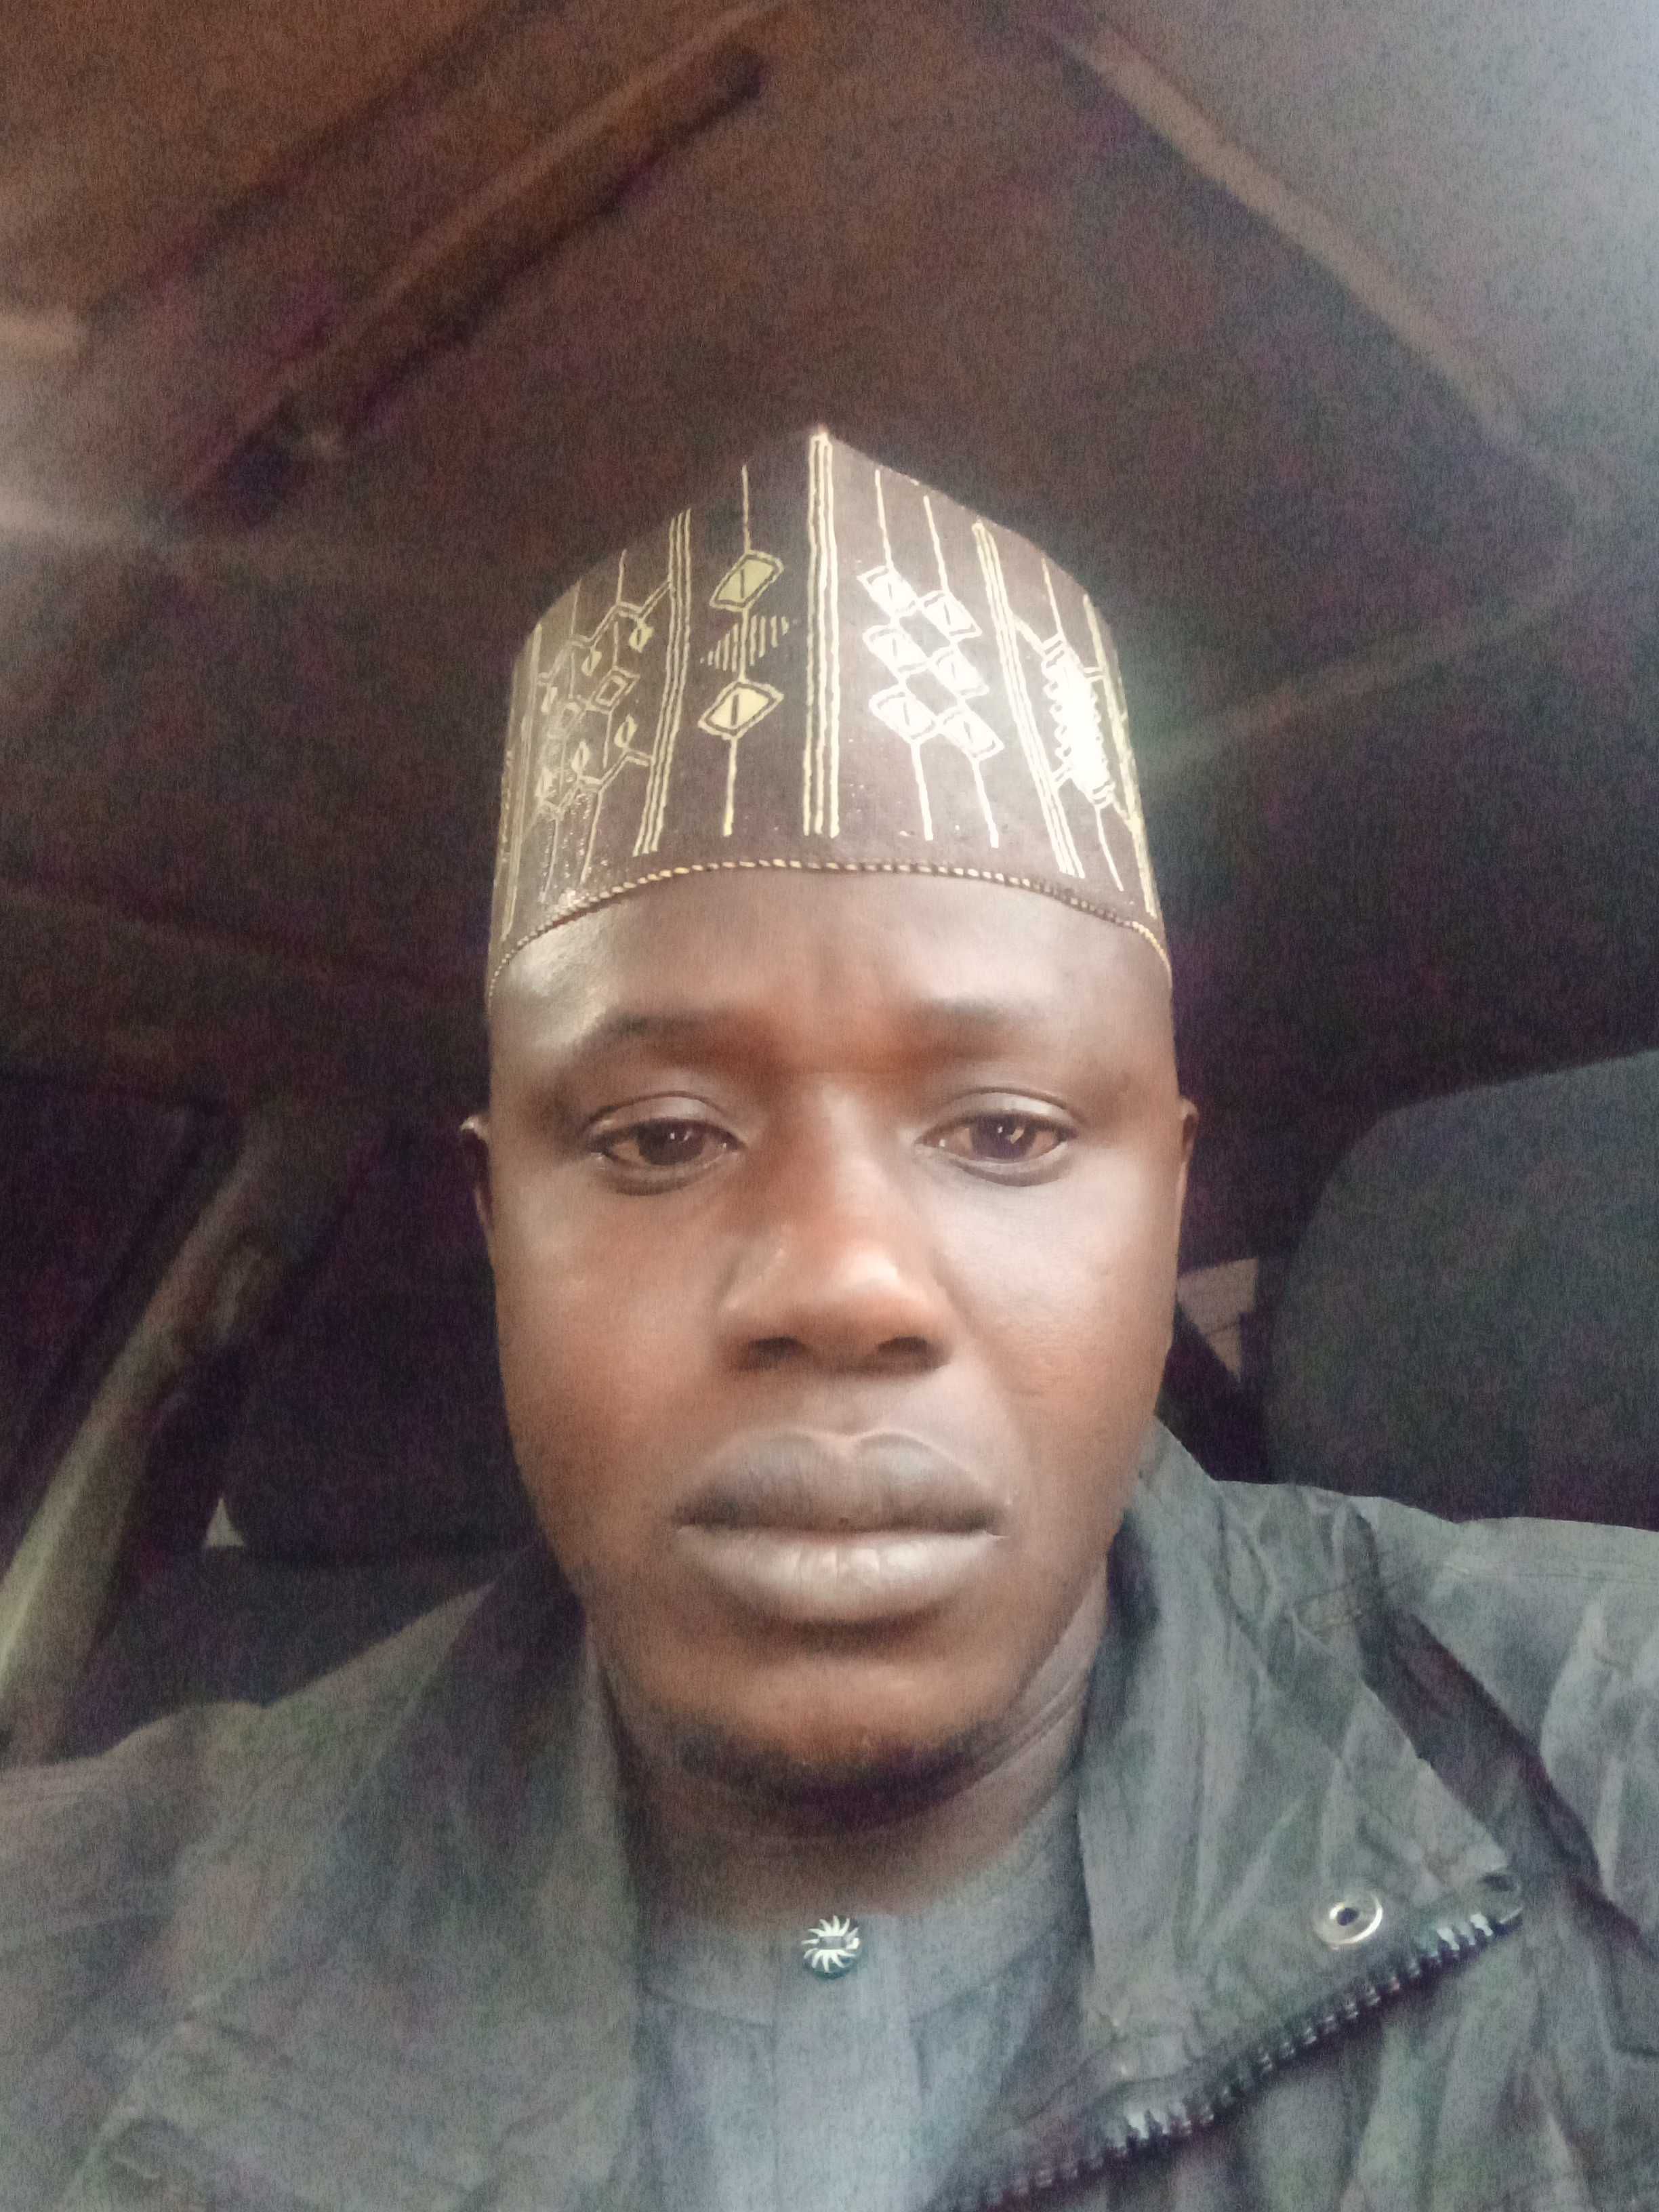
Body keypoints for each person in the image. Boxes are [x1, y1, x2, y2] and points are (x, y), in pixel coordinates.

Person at [3, 428, 1657, 2211]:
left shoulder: (1606, 1765)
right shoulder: (73, 1949)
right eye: (660, 1138)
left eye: (1005, 1133)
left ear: (1167, 1204)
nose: (841, 1281)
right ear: (498, 1231)